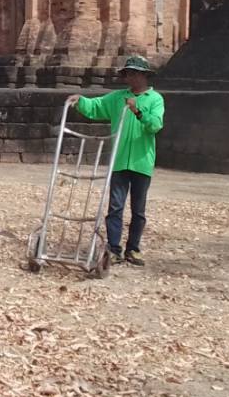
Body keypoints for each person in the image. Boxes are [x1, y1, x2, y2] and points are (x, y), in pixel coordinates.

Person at [68, 55, 165, 267]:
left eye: (133, 74)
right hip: (119, 161)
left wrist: (137, 111)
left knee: (138, 209)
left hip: (142, 161)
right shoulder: (117, 97)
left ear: (143, 76)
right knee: (115, 207)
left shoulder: (155, 99)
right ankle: (113, 248)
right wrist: (80, 101)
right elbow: (97, 106)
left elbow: (155, 125)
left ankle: (133, 249)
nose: (129, 78)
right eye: (128, 74)